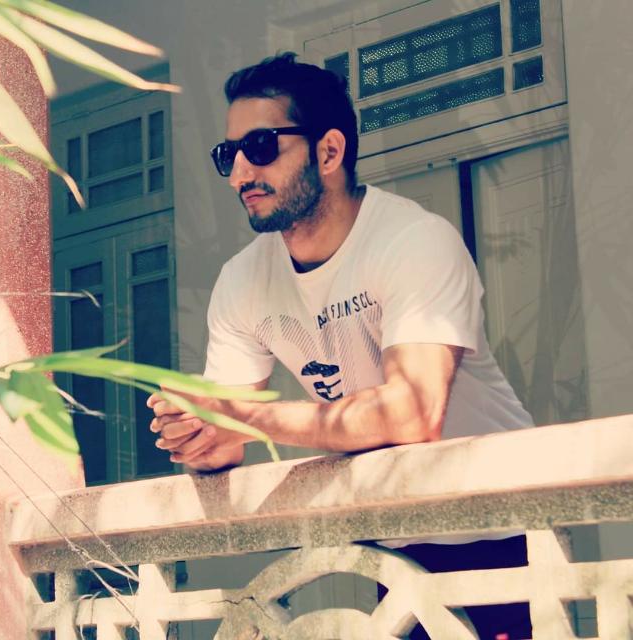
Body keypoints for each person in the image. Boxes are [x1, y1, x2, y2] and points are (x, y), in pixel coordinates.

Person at [148, 53, 534, 638]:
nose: (239, 173)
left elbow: (411, 414)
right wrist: (192, 432)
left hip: (499, 523)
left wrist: (237, 415)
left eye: (260, 146)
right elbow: (224, 440)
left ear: (329, 152)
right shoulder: (241, 281)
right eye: (229, 154)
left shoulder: (415, 241)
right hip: (395, 536)